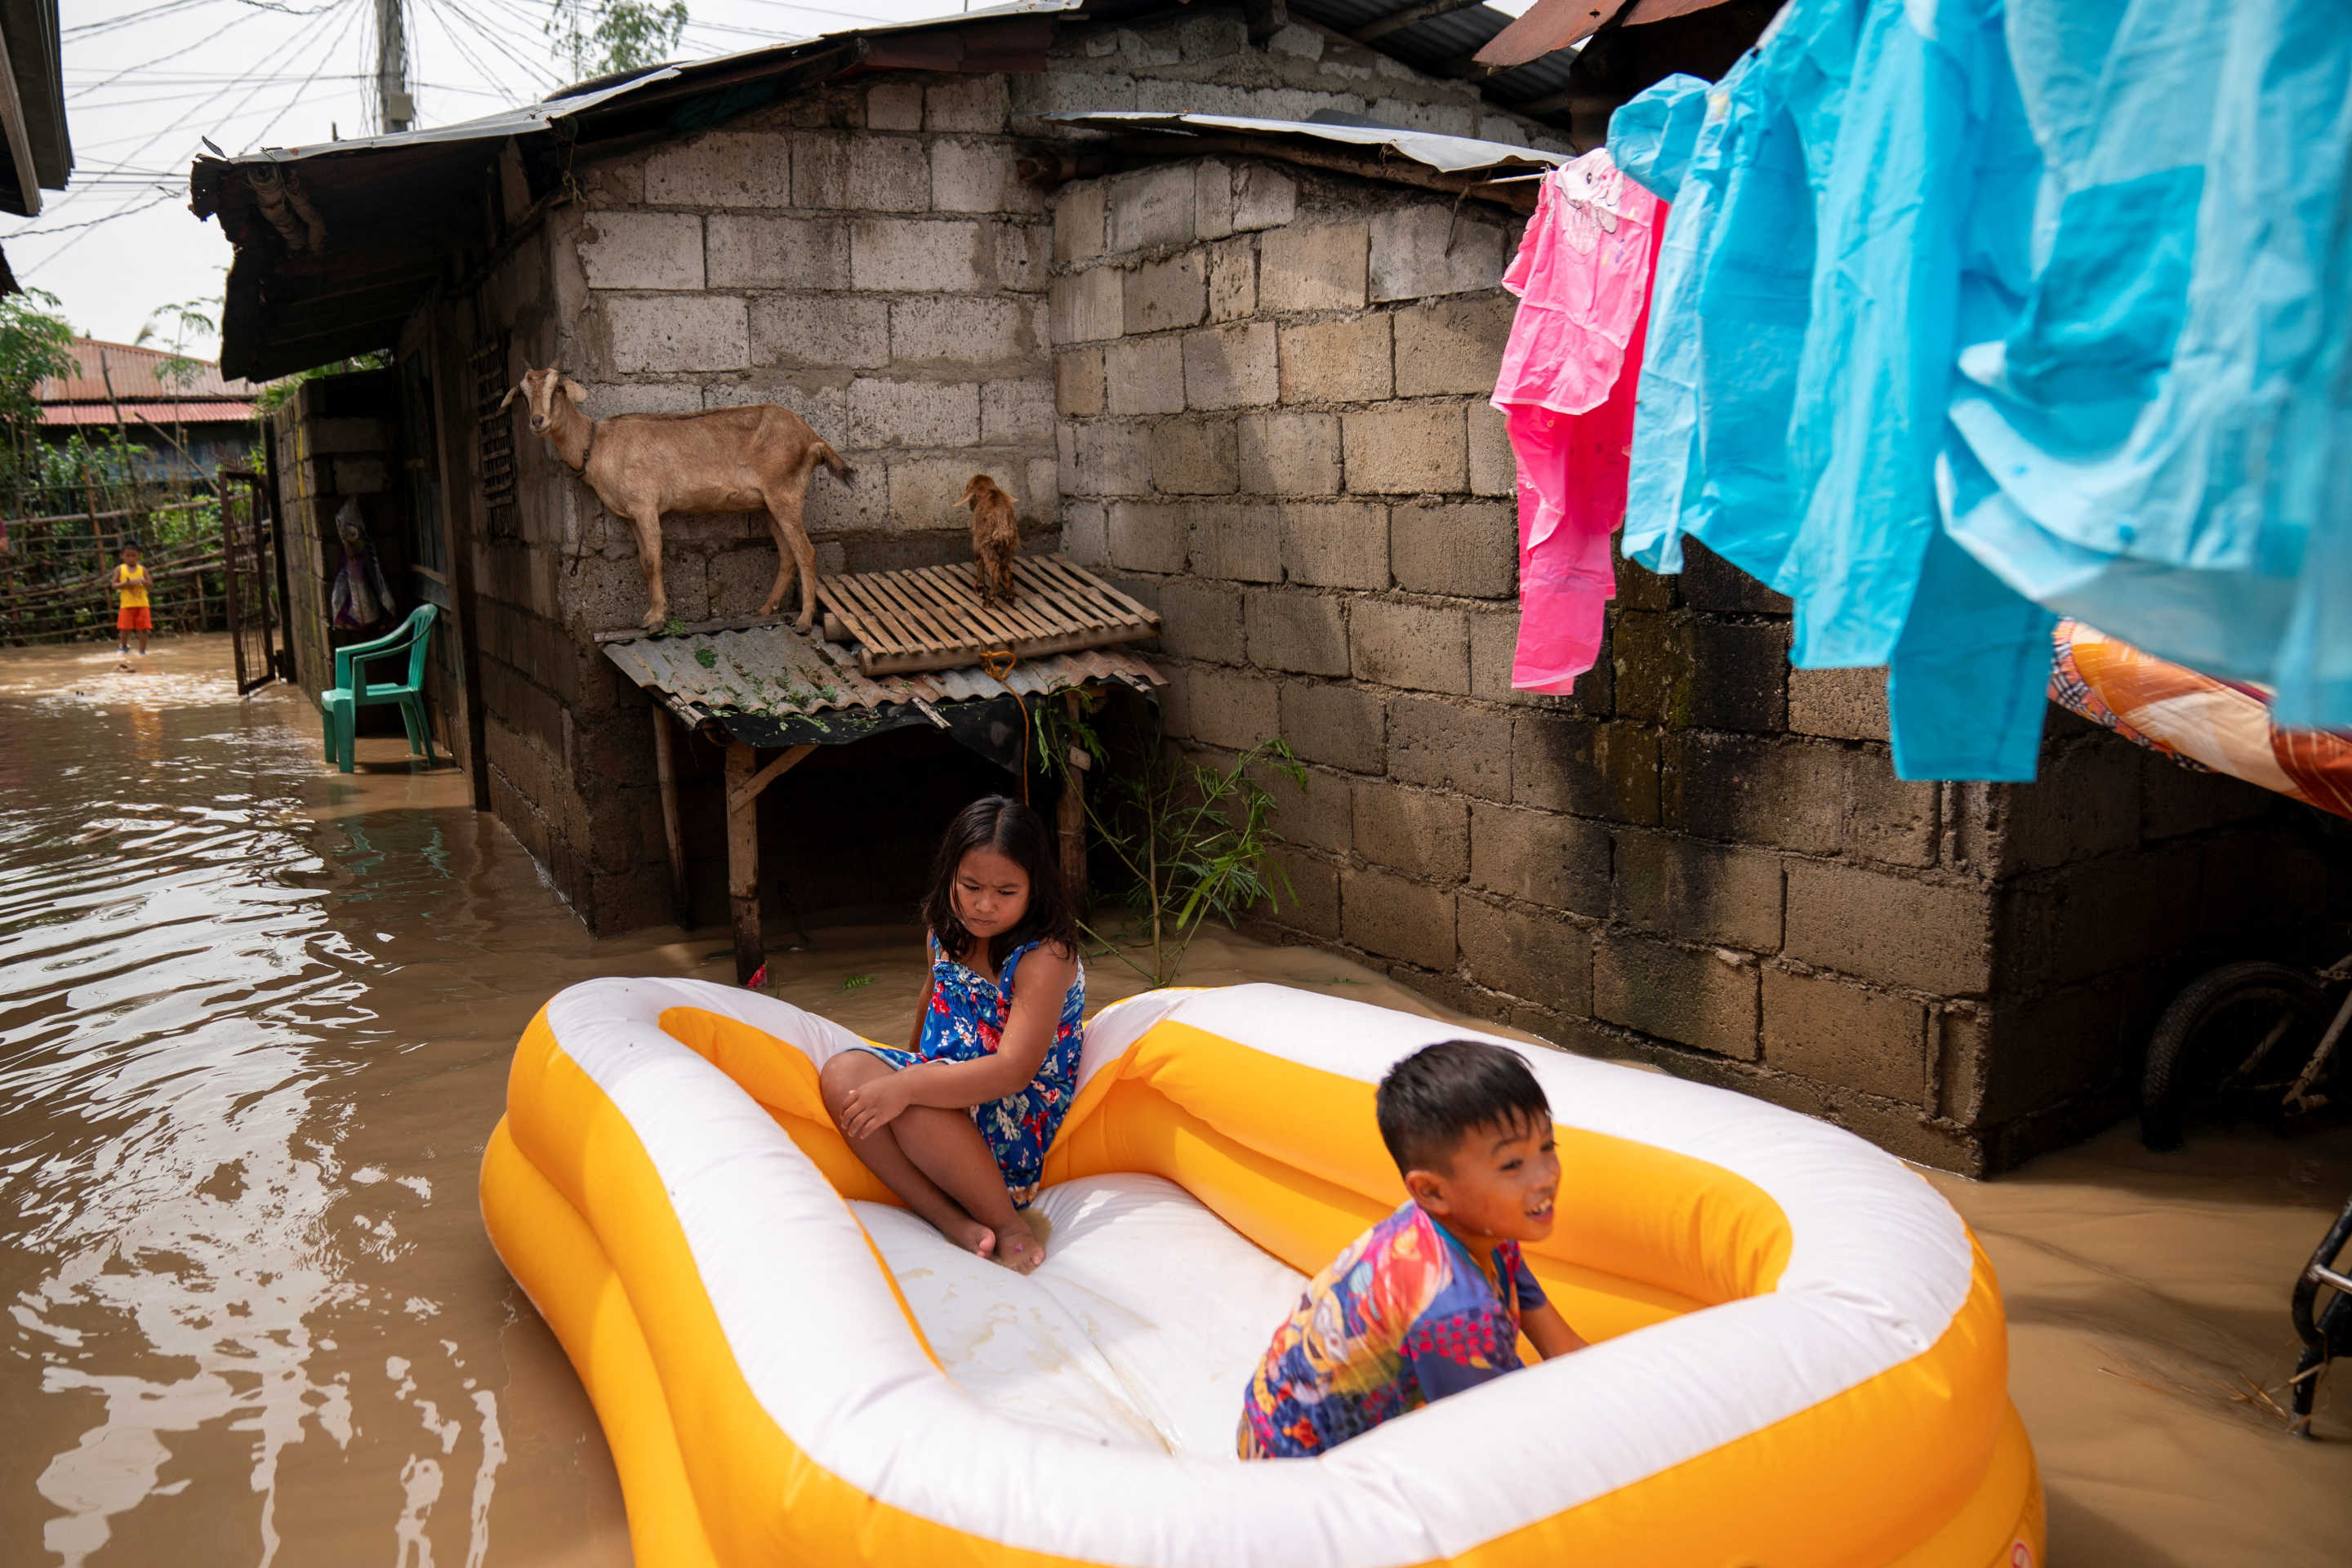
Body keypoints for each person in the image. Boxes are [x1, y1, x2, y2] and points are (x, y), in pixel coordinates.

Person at [1238, 1040, 1588, 1458]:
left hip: (1268, 1416)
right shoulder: (1454, 1310)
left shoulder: (1476, 1228)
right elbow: (1507, 1450)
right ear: (1431, 1191)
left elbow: (1565, 1350)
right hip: (1295, 1469)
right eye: (1512, 1165)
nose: (1545, 1176)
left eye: (1548, 1147)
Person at [819, 795, 1083, 1275]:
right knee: (843, 1075)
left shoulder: (1044, 957)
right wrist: (901, 1070)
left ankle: (1008, 1225)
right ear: (951, 877)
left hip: (1012, 1105)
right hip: (945, 1081)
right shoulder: (945, 930)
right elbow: (929, 998)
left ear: (1034, 890)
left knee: (915, 1102)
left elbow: (1013, 1070)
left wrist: (905, 1088)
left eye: (1006, 892)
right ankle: (948, 1218)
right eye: (971, 886)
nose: (984, 905)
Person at [113, 544, 152, 658]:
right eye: (128, 556)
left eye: (134, 556)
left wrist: (143, 581)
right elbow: (114, 585)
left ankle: (142, 652)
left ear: (138, 556)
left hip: (142, 604)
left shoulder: (142, 569)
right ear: (122, 556)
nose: (131, 558)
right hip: (126, 604)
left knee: (143, 629)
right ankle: (124, 647)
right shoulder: (120, 569)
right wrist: (125, 584)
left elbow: (151, 585)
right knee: (124, 628)